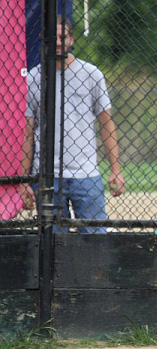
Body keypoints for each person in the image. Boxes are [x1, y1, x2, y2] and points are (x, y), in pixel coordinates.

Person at [20, 15, 125, 233]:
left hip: (86, 174)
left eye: (63, 36)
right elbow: (28, 134)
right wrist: (24, 180)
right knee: (54, 244)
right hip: (47, 176)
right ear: (43, 40)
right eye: (52, 37)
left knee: (95, 239)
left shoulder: (91, 74)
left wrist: (115, 168)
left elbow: (106, 123)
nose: (58, 42)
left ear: (72, 39)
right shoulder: (33, 78)